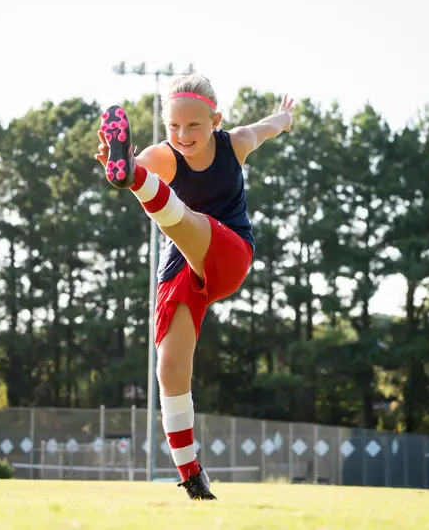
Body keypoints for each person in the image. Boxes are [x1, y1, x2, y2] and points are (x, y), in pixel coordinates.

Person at [94, 73, 294, 500]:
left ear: (215, 119)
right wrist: (129, 160)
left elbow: (268, 127)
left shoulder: (234, 143)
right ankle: (192, 478)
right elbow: (147, 158)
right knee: (169, 367)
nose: (182, 136)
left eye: (194, 126)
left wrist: (285, 117)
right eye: (173, 126)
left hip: (229, 252)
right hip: (181, 268)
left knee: (188, 219)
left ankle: (132, 180)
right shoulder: (165, 156)